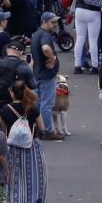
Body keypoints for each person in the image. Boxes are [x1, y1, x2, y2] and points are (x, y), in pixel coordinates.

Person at [0, 83, 47, 203]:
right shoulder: (32, 108)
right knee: (36, 177)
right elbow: (42, 127)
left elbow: (2, 128)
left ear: (13, 94)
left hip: (12, 148)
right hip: (31, 147)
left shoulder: (6, 109)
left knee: (12, 176)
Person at [32, 11, 63, 140]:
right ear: (44, 22)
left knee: (39, 103)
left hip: (38, 73)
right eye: (52, 22)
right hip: (46, 74)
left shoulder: (36, 34)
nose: (55, 24)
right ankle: (48, 131)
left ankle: (39, 128)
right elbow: (45, 48)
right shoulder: (45, 35)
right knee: (47, 104)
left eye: (56, 22)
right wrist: (53, 59)